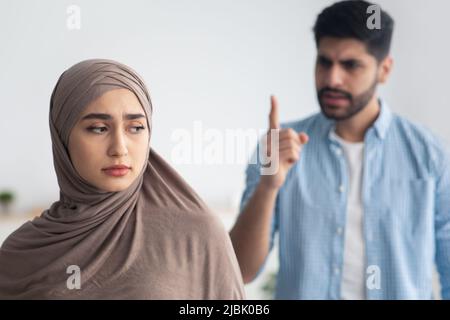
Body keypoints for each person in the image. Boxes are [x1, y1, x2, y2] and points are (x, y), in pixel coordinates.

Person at [230, 0, 450, 299]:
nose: (332, 78)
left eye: (351, 65)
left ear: (384, 70)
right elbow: (239, 269)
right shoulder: (277, 149)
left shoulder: (430, 155)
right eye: (324, 62)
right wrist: (269, 186)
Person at [0, 59, 245, 299]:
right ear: (62, 137)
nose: (119, 148)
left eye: (136, 127)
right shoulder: (23, 251)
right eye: (98, 128)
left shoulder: (197, 231)